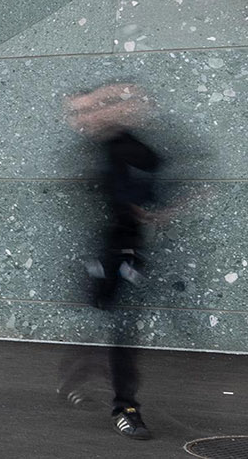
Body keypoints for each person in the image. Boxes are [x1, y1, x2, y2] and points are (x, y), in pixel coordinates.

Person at [60, 81, 163, 441]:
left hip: (128, 251)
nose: (83, 118)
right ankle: (83, 370)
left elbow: (158, 190)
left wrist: (153, 208)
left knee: (122, 326)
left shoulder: (136, 148)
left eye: (90, 109)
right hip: (100, 250)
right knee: (103, 311)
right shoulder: (91, 150)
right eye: (77, 112)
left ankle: (125, 407)